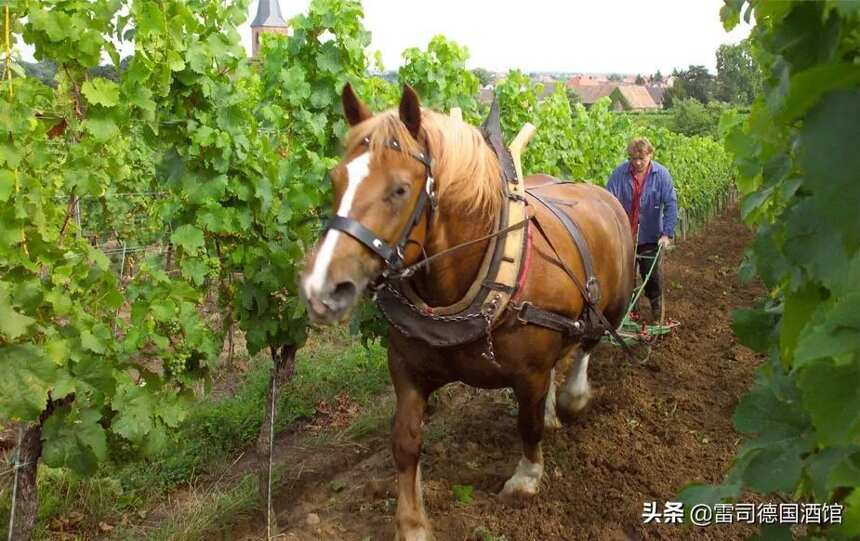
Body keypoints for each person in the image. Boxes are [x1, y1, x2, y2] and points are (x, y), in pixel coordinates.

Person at [606, 137, 677, 324]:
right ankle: (630, 315)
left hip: (650, 236)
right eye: (633, 159)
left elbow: (670, 203)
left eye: (641, 159)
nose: (637, 163)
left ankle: (657, 315)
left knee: (652, 277)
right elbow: (608, 201)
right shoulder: (619, 174)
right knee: (626, 280)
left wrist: (666, 233)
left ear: (650, 155)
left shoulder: (661, 175)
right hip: (624, 238)